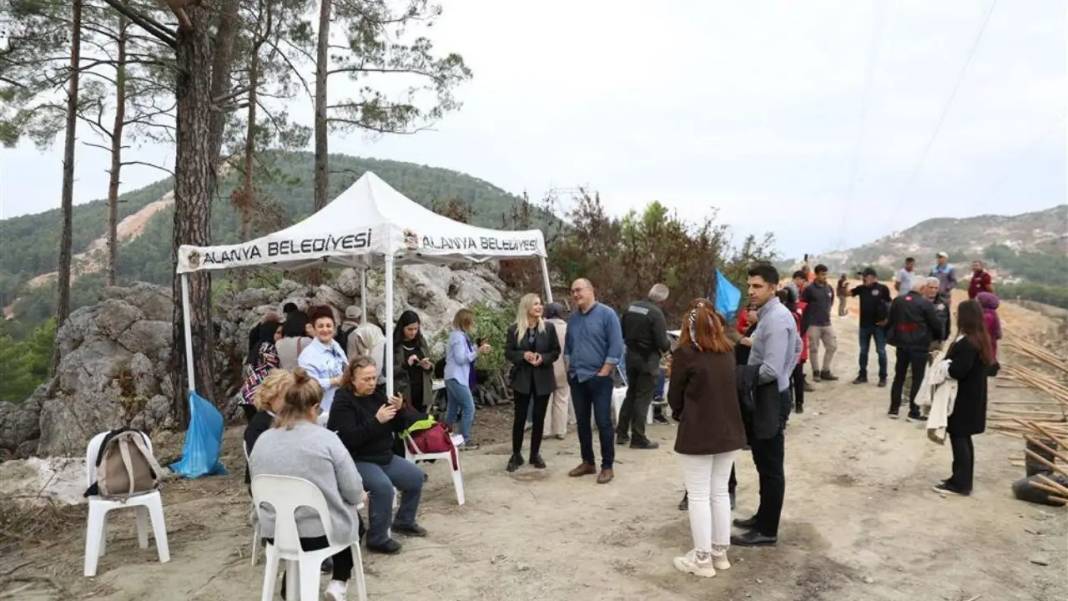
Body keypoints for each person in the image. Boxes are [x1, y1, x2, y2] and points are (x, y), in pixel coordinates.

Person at [248, 368, 364, 601]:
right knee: (357, 520)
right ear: (313, 409)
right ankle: (339, 581)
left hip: (274, 531)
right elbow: (353, 491)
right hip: (318, 533)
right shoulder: (327, 440)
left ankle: (291, 589)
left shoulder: (263, 439)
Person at [668, 300, 746, 578]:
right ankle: (719, 553)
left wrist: (680, 413)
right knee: (720, 492)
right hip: (729, 432)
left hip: (698, 433)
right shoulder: (727, 351)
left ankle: (702, 560)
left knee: (699, 496)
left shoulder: (686, 354)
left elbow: (674, 396)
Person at [328, 356, 427, 554]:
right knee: (383, 488)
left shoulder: (377, 395)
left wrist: (400, 411)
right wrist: (376, 421)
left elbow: (398, 428)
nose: (372, 383)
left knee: (416, 477)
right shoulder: (342, 401)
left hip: (383, 455)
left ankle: (404, 521)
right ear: (352, 379)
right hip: (357, 459)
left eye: (373, 378)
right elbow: (348, 439)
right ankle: (377, 538)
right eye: (366, 379)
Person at [732, 264, 800, 547]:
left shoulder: (775, 319)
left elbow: (770, 370)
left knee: (770, 465)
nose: (751, 291)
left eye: (757, 286)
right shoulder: (771, 315)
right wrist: (785, 371)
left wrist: (738, 377)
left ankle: (767, 530)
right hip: (771, 393)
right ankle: (762, 518)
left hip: (770, 396)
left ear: (773, 287)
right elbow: (795, 349)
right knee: (763, 461)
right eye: (749, 286)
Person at [565, 278, 624, 484]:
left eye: (579, 290)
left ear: (591, 290)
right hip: (577, 378)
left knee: (603, 422)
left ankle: (607, 466)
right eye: (572, 291)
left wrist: (604, 371)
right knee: (582, 423)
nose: (575, 294)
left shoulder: (607, 315)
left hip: (599, 379)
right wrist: (569, 369)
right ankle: (588, 462)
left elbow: (616, 346)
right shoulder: (572, 319)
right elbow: (568, 348)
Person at [933, 300, 994, 496]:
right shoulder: (979, 338)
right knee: (963, 438)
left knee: (959, 437)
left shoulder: (968, 343)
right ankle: (960, 478)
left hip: (964, 398)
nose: (956, 316)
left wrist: (943, 365)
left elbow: (959, 371)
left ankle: (960, 484)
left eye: (958, 313)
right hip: (972, 396)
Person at [504, 294, 561, 471]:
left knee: (538, 418)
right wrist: (524, 355)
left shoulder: (549, 328)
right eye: (536, 304)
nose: (540, 306)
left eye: (540, 304)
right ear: (527, 307)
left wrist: (542, 358)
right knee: (520, 418)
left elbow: (555, 352)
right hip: (522, 380)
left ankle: (535, 453)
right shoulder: (514, 329)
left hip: (543, 379)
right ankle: (516, 454)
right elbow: (508, 352)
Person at [617, 283, 672, 449]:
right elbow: (663, 343)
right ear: (662, 300)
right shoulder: (656, 314)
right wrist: (669, 345)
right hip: (648, 360)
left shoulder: (631, 307)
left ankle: (621, 433)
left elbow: (622, 332)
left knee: (631, 394)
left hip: (630, 356)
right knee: (643, 398)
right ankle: (638, 437)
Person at [886, 279, 944, 420]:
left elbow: (891, 320)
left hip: (901, 344)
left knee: (899, 377)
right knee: (917, 379)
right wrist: (937, 337)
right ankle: (914, 411)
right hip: (919, 345)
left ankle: (894, 409)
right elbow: (936, 324)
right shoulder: (925, 304)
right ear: (923, 288)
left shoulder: (898, 300)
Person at [445, 308, 491, 449]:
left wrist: (477, 347)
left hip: (453, 376)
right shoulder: (458, 337)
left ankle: (446, 437)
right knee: (469, 407)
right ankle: (464, 439)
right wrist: (478, 351)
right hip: (457, 377)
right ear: (466, 322)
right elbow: (460, 358)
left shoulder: (459, 336)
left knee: (452, 409)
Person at [243, 369, 293, 486]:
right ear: (270, 397)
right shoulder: (258, 425)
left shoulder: (288, 417)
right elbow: (261, 459)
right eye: (285, 397)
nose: (290, 402)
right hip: (266, 481)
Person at [298, 306, 348, 413]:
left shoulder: (336, 346)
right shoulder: (307, 355)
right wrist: (334, 381)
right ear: (314, 329)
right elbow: (308, 386)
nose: (325, 330)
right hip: (322, 411)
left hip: (343, 407)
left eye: (329, 326)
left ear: (334, 328)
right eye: (320, 326)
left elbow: (345, 366)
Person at [851, 267, 891, 387]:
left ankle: (883, 377)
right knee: (863, 351)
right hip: (864, 326)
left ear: (873, 277)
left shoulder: (883, 288)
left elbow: (890, 305)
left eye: (865, 276)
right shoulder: (861, 289)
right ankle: (862, 375)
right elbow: (847, 294)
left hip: (879, 326)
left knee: (881, 351)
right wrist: (841, 287)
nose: (863, 278)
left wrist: (887, 320)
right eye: (862, 276)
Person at [238, 321, 284, 420]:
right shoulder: (270, 348)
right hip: (257, 397)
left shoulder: (258, 346)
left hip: (247, 395)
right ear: (270, 332)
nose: (281, 336)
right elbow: (274, 369)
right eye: (278, 333)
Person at [802, 264, 838, 383]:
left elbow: (831, 302)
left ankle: (825, 371)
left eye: (826, 274)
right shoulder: (809, 289)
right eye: (822, 274)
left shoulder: (829, 288)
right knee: (813, 349)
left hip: (827, 323)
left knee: (832, 346)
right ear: (816, 274)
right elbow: (803, 304)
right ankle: (816, 372)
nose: (825, 276)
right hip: (813, 324)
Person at [393, 310, 434, 413]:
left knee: (422, 421)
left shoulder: (421, 341)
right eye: (409, 329)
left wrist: (428, 366)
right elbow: (388, 371)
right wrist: (407, 364)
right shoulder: (394, 344)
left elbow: (431, 362)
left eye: (416, 329)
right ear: (402, 328)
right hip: (404, 391)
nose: (413, 332)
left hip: (422, 389)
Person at [543, 303, 571, 440]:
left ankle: (544, 430)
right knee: (562, 399)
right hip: (563, 369)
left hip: (544, 368)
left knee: (544, 400)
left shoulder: (541, 327)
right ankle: (560, 430)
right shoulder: (568, 328)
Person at [930, 252, 958, 339]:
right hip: (933, 295)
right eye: (938, 257)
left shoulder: (950, 269)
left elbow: (953, 281)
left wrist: (946, 288)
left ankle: (942, 335)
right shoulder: (934, 269)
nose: (939, 259)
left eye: (941, 257)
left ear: (946, 259)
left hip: (944, 297)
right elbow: (929, 279)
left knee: (943, 314)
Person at [977, 292, 1002, 361]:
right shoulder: (990, 314)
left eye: (978, 300)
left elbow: (980, 332)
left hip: (985, 348)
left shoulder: (987, 316)